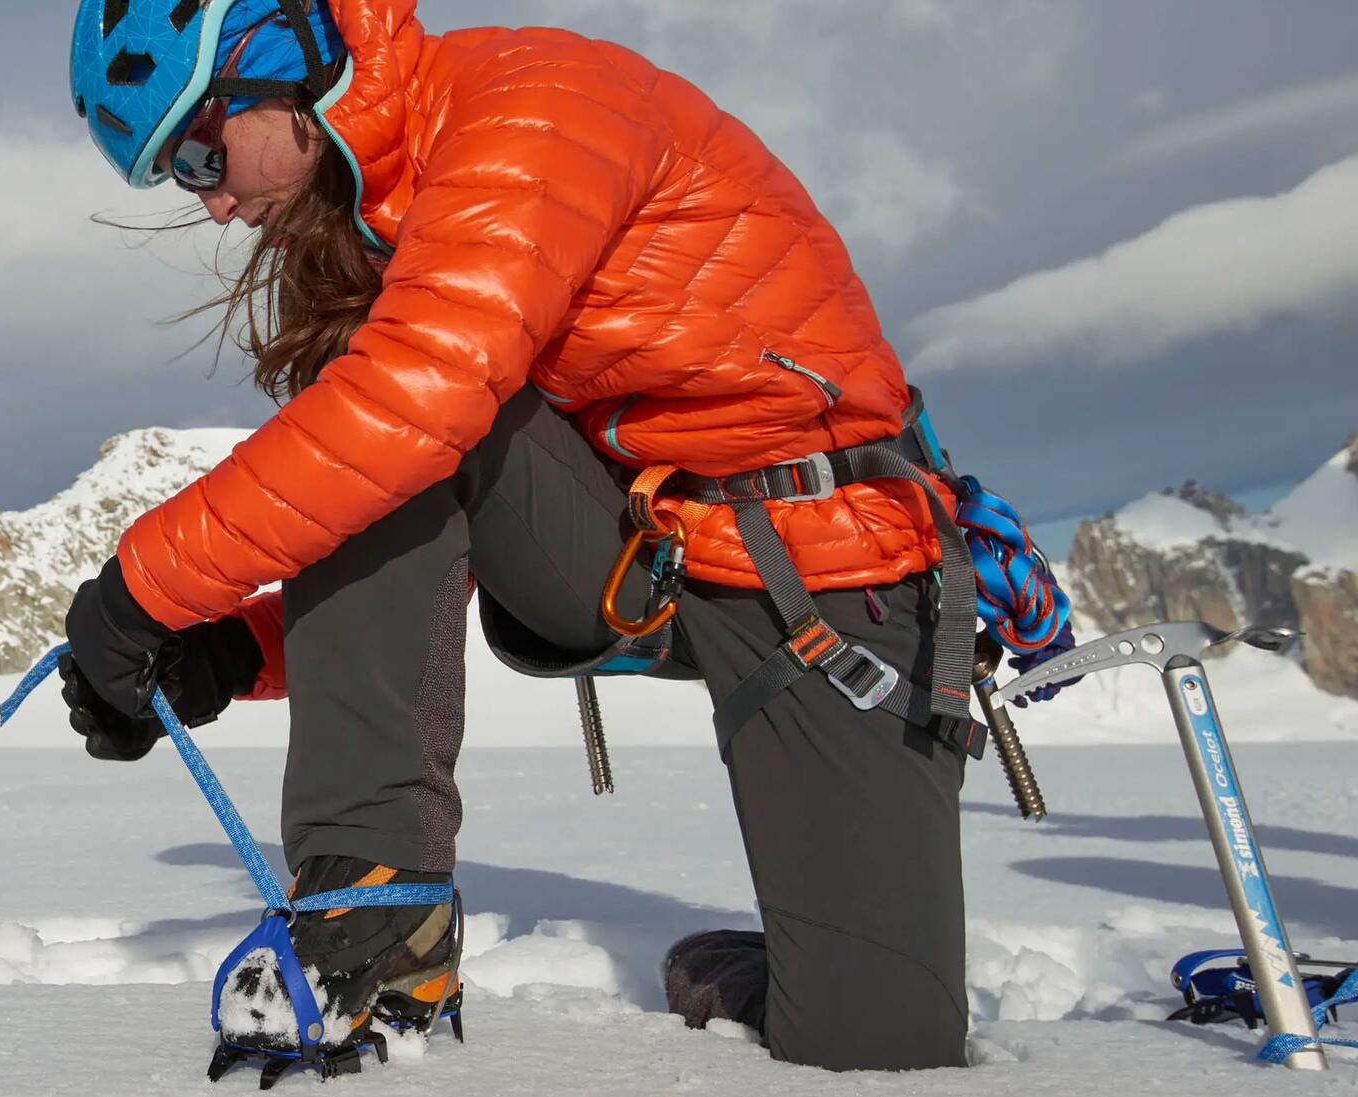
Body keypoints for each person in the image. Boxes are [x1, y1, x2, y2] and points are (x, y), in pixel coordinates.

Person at [58, 0, 1004, 1072]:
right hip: (651, 558)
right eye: (179, 178)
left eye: (196, 153)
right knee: (377, 423)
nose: (214, 201)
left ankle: (796, 958)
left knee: (880, 1038)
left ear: (280, 63)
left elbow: (417, 407)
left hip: (836, 573)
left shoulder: (528, 112)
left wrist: (140, 592)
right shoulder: (396, 227)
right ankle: (374, 923)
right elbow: (415, 533)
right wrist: (236, 651)